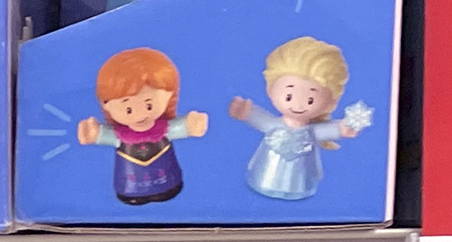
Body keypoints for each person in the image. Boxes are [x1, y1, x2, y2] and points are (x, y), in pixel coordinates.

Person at [227, 38, 374, 202]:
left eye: (310, 100)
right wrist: (247, 113)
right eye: (289, 96)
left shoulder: (311, 131)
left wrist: (342, 128)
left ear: (330, 102)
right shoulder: (275, 125)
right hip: (265, 176)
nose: (298, 105)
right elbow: (264, 121)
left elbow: (324, 130)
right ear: (270, 90)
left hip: (301, 180)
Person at [77, 48, 209, 205]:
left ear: (169, 95)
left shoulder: (163, 129)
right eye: (128, 109)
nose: (140, 115)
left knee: (168, 186)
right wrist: (93, 134)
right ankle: (132, 193)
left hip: (167, 178)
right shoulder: (120, 135)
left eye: (149, 106)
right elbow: (105, 135)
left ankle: (167, 188)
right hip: (130, 183)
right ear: (106, 105)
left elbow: (178, 128)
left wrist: (191, 125)